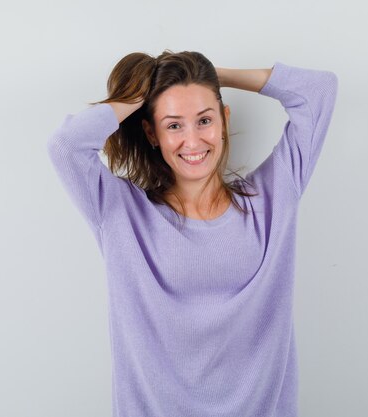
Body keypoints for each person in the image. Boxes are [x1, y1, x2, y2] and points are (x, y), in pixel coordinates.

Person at [47, 49, 338, 417]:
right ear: (151, 133)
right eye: (173, 125)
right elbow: (65, 146)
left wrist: (214, 75)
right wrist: (142, 88)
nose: (193, 140)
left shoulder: (275, 197)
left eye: (204, 120)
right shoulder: (120, 212)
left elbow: (319, 90)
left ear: (224, 118)